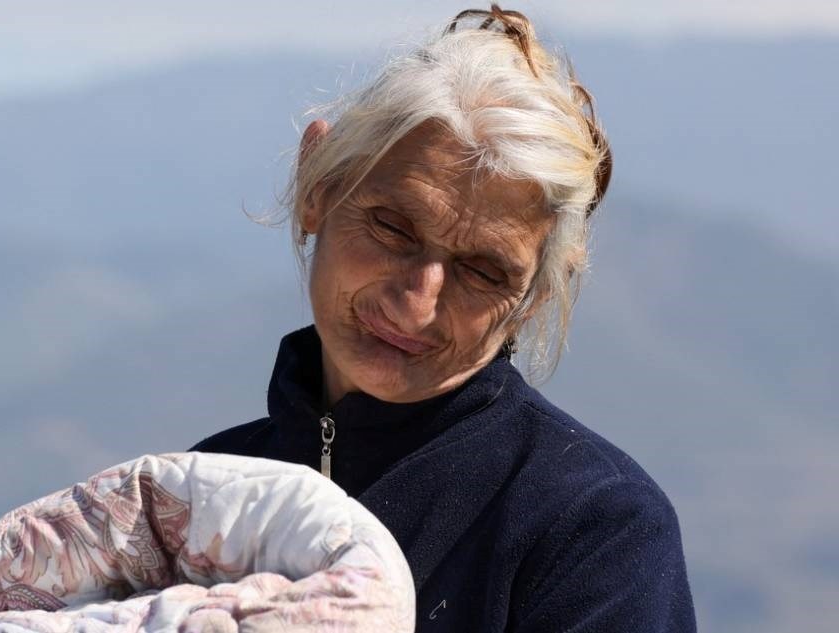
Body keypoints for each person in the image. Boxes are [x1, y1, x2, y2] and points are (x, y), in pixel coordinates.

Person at [188, 4, 697, 632]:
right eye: (393, 228)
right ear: (317, 184)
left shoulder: (592, 531)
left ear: (535, 294)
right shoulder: (203, 495)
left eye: (483, 273)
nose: (418, 302)